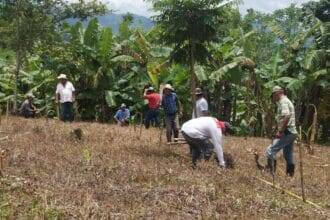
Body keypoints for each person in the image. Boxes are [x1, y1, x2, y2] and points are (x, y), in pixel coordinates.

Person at [265, 86, 297, 177]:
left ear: (277, 93)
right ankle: (290, 176)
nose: (273, 98)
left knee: (270, 150)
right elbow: (284, 117)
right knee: (288, 154)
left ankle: (271, 174)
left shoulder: (283, 102)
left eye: (273, 95)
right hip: (292, 132)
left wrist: (280, 131)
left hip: (287, 132)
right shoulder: (285, 101)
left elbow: (286, 116)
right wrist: (277, 127)